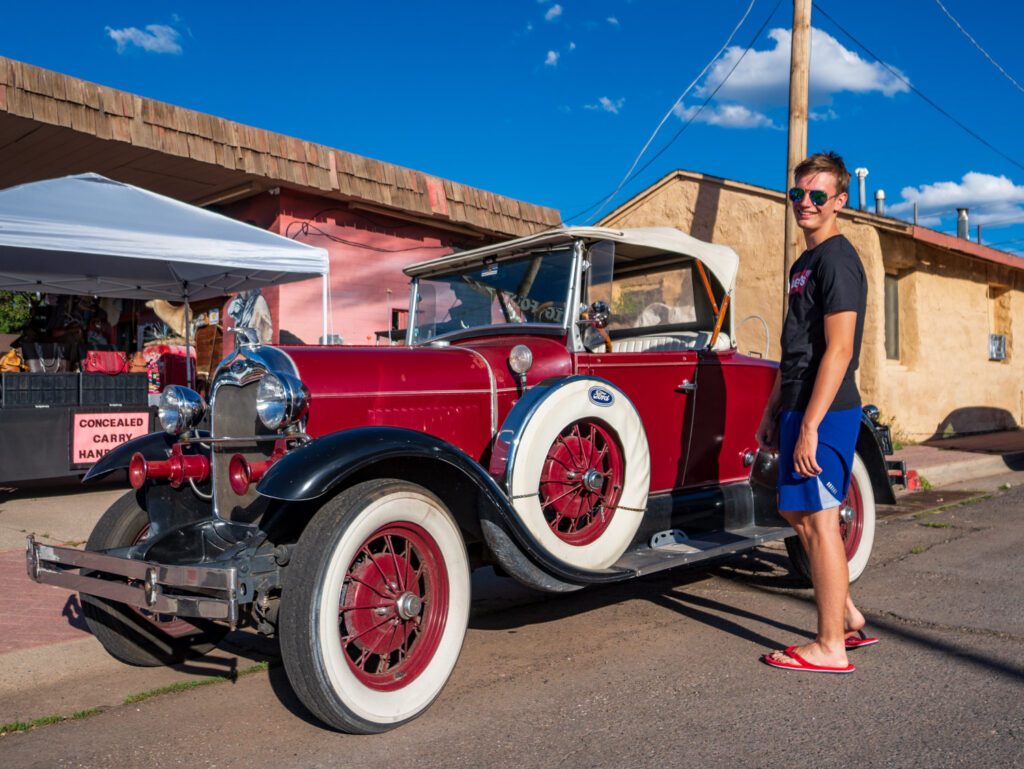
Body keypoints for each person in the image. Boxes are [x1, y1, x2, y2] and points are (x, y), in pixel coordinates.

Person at [756, 151, 876, 674]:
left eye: (817, 195)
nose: (805, 203)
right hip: (798, 399)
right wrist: (774, 406)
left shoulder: (837, 258)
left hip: (824, 409)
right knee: (794, 510)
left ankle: (829, 646)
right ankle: (845, 612)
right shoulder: (802, 264)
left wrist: (808, 425)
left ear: (838, 202)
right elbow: (796, 344)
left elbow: (840, 348)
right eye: (797, 193)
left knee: (823, 520)